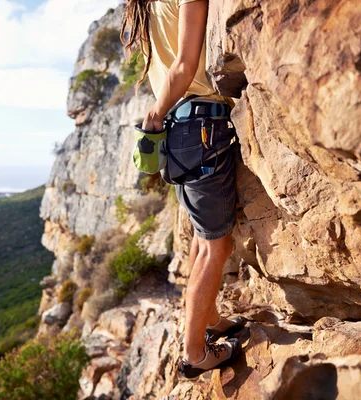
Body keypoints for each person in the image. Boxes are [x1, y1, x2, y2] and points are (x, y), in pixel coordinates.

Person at [121, 0, 244, 379]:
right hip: (201, 125)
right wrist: (156, 112)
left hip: (180, 134)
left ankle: (209, 318)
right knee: (215, 247)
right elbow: (184, 65)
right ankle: (195, 353)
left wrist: (161, 117)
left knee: (200, 238)